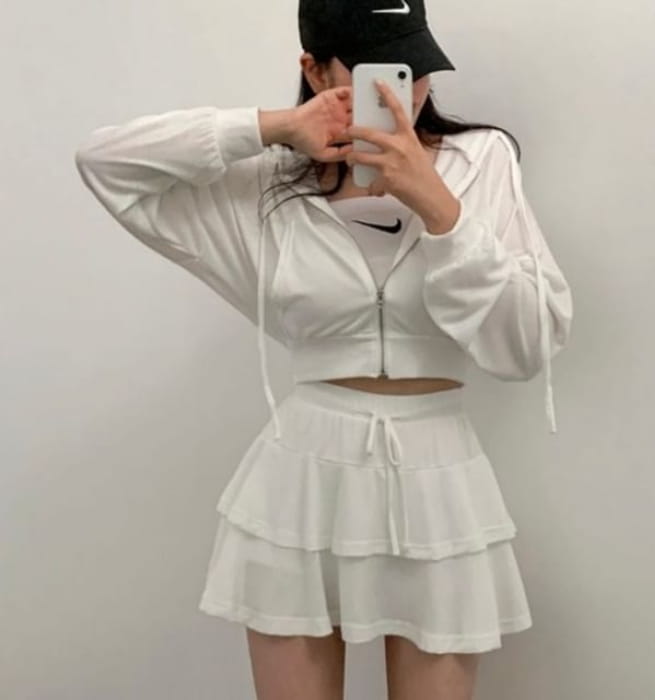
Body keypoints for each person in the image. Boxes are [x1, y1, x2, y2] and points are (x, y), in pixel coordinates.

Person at [74, 1, 574, 698]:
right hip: (302, 481)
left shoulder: (479, 161)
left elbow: (527, 343)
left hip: (439, 477)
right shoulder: (266, 182)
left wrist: (439, 207)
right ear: (315, 70)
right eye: (378, 70)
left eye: (416, 67)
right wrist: (271, 128)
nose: (404, 92)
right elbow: (105, 162)